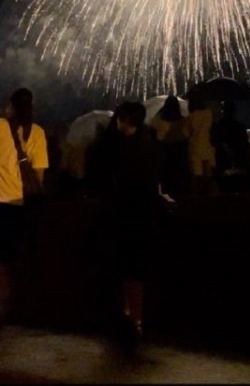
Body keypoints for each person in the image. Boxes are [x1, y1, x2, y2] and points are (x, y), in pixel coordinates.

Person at [98, 100, 161, 346]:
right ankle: (132, 318)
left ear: (126, 120)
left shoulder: (127, 149)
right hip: (137, 215)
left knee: (132, 270)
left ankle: (133, 319)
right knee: (130, 270)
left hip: (132, 215)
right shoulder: (146, 145)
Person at [0, 88, 49, 324]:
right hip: (19, 203)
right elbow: (38, 176)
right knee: (11, 259)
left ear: (10, 106)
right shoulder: (37, 133)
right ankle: (9, 305)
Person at [150, 95, 188, 198]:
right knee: (177, 180)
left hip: (163, 152)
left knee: (165, 179)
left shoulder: (158, 120)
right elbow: (186, 136)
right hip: (178, 152)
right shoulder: (183, 121)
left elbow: (153, 134)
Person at [210, 99, 250, 191]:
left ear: (223, 111)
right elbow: (244, 144)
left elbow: (214, 142)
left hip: (222, 163)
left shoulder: (218, 126)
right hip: (238, 162)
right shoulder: (240, 127)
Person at [184, 87, 216, 195]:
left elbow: (186, 134)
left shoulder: (191, 116)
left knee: (197, 178)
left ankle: (197, 202)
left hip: (195, 148)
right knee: (209, 177)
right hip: (207, 146)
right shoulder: (209, 113)